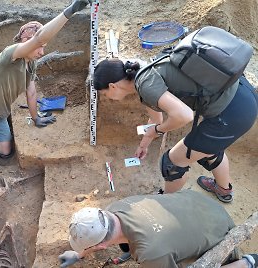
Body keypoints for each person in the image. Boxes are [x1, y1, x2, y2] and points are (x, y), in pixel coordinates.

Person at [92, 57, 257, 202]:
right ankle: (223, 190)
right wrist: (145, 142)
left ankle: (166, 202)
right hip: (242, 95)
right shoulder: (144, 73)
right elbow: (157, 120)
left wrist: (157, 130)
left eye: (105, 94)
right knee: (208, 147)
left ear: (112, 86)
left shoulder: (146, 86)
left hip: (230, 114)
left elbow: (184, 116)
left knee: (172, 163)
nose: (108, 98)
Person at [0, 0, 92, 180]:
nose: (41, 51)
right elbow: (39, 38)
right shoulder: (10, 54)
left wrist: (36, 118)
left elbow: (31, 93)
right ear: (24, 41)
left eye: (44, 47)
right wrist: (71, 10)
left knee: (5, 153)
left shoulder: (31, 65)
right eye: (38, 46)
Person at [58, 190, 258, 268]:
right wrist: (79, 254)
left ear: (101, 246)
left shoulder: (151, 254)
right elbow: (101, 231)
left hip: (220, 233)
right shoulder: (117, 206)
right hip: (203, 206)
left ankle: (247, 263)